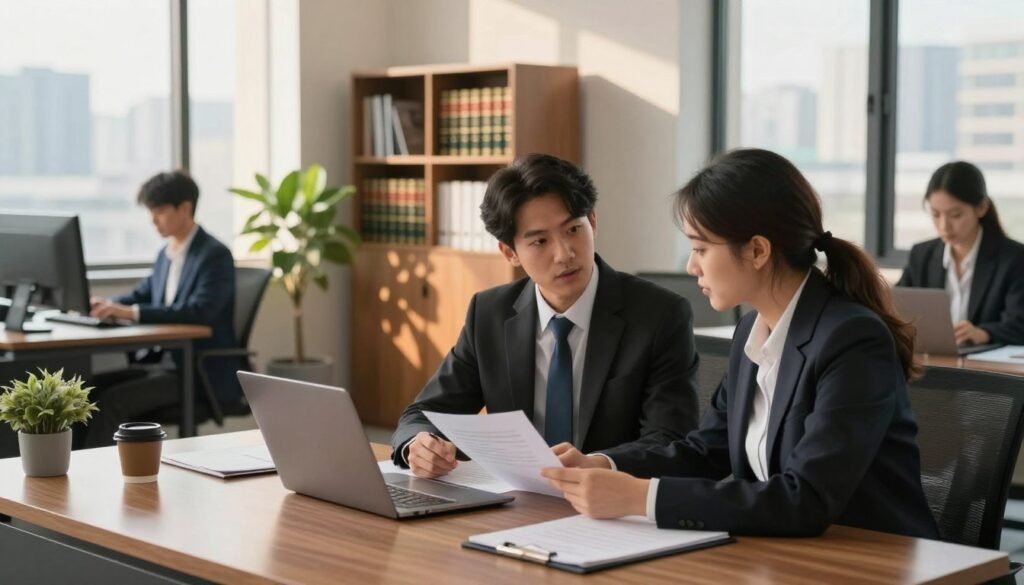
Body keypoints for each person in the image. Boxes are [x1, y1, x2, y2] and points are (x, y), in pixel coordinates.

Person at [541, 148, 939, 539]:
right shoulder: (752, 330)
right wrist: (605, 464)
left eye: (700, 248)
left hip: (876, 563)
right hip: (785, 558)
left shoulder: (852, 340)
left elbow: (806, 500)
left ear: (757, 250)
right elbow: (706, 451)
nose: (691, 266)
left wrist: (643, 498)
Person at [390, 153, 701, 477]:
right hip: (516, 504)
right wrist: (418, 445)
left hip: (613, 508)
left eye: (573, 230)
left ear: (592, 221)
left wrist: (599, 464)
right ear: (509, 252)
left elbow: (671, 440)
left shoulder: (660, 316)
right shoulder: (489, 314)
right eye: (540, 241)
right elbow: (424, 412)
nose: (564, 253)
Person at [84, 171, 239, 446]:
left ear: (186, 208)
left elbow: (199, 310)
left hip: (194, 372)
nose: (153, 220)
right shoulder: (166, 254)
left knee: (111, 403)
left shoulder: (214, 255)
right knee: (87, 392)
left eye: (159, 211)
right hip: (160, 363)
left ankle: (102, 481)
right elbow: (143, 294)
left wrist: (130, 313)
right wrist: (106, 306)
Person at [897, 161, 1024, 345]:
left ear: (981, 208)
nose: (944, 226)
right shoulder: (922, 255)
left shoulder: (1014, 258)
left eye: (955, 215)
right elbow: (897, 310)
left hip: (985, 367)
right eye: (935, 214)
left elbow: (1020, 323)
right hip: (933, 360)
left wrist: (984, 333)